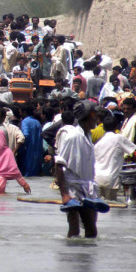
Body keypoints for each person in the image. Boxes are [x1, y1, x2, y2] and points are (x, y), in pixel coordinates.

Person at [56, 101, 108, 238]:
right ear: (87, 116)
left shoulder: (88, 136)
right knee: (75, 229)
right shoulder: (73, 137)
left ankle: (85, 257)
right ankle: (72, 256)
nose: (97, 118)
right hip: (73, 189)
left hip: (87, 188)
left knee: (91, 229)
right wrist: (64, 194)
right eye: (94, 115)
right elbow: (59, 164)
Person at [94, 115, 136, 200]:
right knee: (111, 207)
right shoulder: (119, 138)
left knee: (100, 209)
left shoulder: (98, 143)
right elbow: (135, 152)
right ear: (116, 127)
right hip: (111, 179)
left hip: (97, 178)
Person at [19, 103, 42, 177]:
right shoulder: (37, 122)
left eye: (20, 112)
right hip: (37, 153)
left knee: (26, 176)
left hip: (27, 153)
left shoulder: (25, 121)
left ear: (24, 112)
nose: (20, 114)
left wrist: (20, 148)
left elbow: (25, 135)